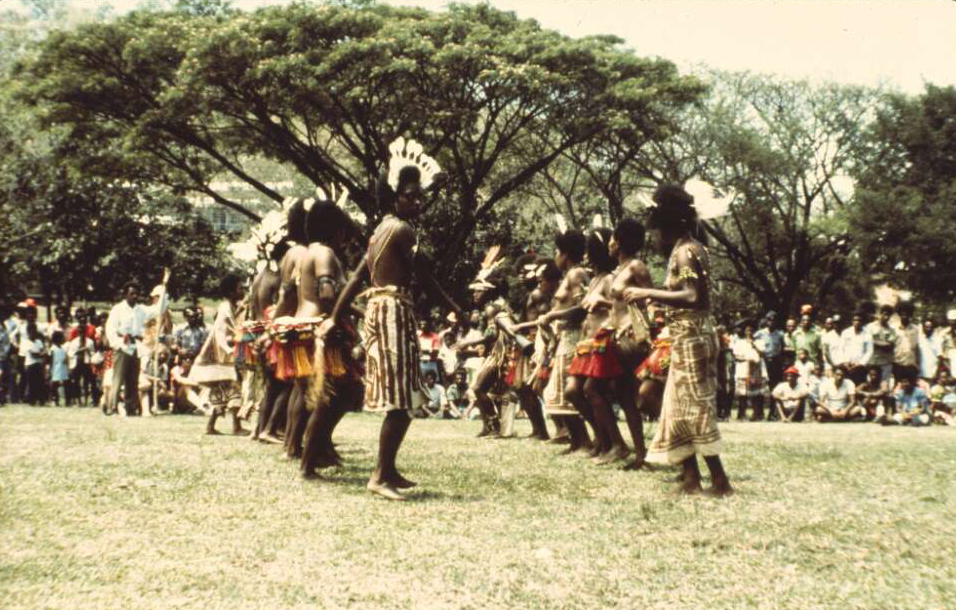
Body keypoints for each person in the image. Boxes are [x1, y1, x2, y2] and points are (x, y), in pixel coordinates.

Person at [322, 136, 463, 500]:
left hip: (387, 311)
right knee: (401, 399)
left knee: (404, 396)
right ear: (394, 195)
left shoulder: (379, 230)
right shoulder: (400, 230)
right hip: (392, 312)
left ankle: (389, 469)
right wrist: (455, 308)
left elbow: (355, 278)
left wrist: (334, 317)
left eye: (419, 196)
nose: (417, 202)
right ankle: (380, 475)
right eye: (410, 195)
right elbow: (426, 275)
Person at [623, 184, 732, 496]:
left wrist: (647, 292)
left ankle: (719, 481)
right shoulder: (689, 249)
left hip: (693, 337)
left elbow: (692, 295)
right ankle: (691, 478)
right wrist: (659, 305)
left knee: (694, 407)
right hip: (686, 336)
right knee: (677, 406)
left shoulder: (686, 251)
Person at [292, 193, 364, 478]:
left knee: (333, 395)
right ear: (336, 229)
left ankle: (316, 453)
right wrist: (334, 321)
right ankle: (308, 464)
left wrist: (355, 314)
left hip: (304, 327)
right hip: (318, 330)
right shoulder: (324, 253)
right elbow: (326, 290)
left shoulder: (309, 251)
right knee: (330, 397)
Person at [566, 225, 631, 464]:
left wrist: (600, 301)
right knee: (573, 391)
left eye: (588, 250)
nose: (584, 254)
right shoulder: (594, 279)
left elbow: (620, 307)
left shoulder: (609, 279)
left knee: (591, 391)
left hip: (601, 343)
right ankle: (601, 438)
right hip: (586, 344)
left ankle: (617, 444)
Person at [537, 223, 592, 454]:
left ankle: (585, 441)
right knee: (555, 392)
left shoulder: (577, 273)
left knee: (566, 392)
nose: (555, 257)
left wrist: (553, 315)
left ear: (565, 254)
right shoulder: (568, 275)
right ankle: (576, 441)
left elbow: (583, 307)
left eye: (557, 252)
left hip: (573, 337)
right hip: (563, 339)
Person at [606, 217, 654, 466]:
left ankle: (651, 450)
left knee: (638, 396)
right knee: (624, 396)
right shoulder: (620, 270)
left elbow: (651, 303)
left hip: (633, 339)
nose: (609, 243)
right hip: (616, 339)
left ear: (621, 241)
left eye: (613, 238)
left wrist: (630, 325)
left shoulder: (637, 267)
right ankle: (639, 453)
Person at [188, 274, 247, 435]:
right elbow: (219, 333)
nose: (243, 290)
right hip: (220, 356)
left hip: (225, 355)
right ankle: (236, 427)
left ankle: (211, 426)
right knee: (233, 389)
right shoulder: (225, 309)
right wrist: (230, 350)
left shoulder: (235, 307)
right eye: (240, 288)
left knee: (222, 391)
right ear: (231, 292)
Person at [105, 271, 170, 416]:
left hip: (136, 346)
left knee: (132, 380)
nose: (135, 296)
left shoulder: (141, 309)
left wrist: (163, 291)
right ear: (126, 294)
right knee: (118, 378)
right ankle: (112, 407)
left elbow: (158, 310)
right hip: (123, 345)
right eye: (132, 293)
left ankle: (131, 408)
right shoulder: (118, 309)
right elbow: (110, 330)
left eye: (137, 294)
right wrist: (118, 344)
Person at [732, 321, 768, 421]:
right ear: (745, 332)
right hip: (744, 369)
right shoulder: (740, 342)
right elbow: (736, 356)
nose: (749, 332)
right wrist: (747, 359)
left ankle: (757, 414)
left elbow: (762, 354)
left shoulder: (760, 341)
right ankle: (741, 414)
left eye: (751, 330)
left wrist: (754, 345)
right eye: (747, 330)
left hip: (757, 370)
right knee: (743, 393)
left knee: (757, 394)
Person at [867, 305, 898, 387]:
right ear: (880, 314)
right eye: (884, 314)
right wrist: (880, 342)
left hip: (886, 362)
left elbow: (889, 345)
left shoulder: (892, 330)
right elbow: (867, 342)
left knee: (884, 385)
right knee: (871, 384)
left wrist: (874, 341)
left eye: (888, 315)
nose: (886, 317)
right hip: (872, 361)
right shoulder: (870, 327)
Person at [840, 312, 873, 385]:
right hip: (847, 366)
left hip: (860, 367)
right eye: (855, 320)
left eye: (859, 320)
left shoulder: (867, 335)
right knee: (846, 386)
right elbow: (841, 348)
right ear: (852, 321)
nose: (857, 322)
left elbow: (869, 351)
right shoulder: (846, 332)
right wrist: (845, 362)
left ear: (862, 322)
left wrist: (861, 363)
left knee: (858, 387)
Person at [893, 301, 920, 385]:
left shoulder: (916, 329)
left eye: (907, 313)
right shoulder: (893, 328)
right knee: (897, 388)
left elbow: (917, 347)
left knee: (910, 388)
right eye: (902, 313)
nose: (904, 315)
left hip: (910, 365)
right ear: (899, 314)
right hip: (897, 364)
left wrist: (917, 364)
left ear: (910, 314)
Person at [22, 322, 46, 405]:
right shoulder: (26, 342)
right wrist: (41, 354)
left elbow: (43, 351)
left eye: (35, 331)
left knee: (40, 383)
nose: (34, 333)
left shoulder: (39, 341)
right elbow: (34, 354)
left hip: (39, 364)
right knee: (32, 383)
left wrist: (41, 354)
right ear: (28, 332)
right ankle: (31, 400)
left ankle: (41, 400)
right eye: (32, 331)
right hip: (31, 365)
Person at [917, 317, 942, 383]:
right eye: (926, 327)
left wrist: (936, 374)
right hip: (921, 374)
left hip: (932, 375)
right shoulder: (920, 339)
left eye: (930, 327)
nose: (928, 329)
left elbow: (940, 358)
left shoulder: (937, 340)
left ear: (933, 328)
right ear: (923, 328)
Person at [49, 332, 70, 406]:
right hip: (56, 369)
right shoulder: (52, 349)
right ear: (57, 339)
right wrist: (50, 371)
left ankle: (68, 401)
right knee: (55, 385)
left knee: (66, 384)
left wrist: (66, 361)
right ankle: (55, 400)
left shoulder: (63, 348)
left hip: (63, 368)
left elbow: (66, 357)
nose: (63, 339)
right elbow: (51, 360)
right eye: (61, 337)